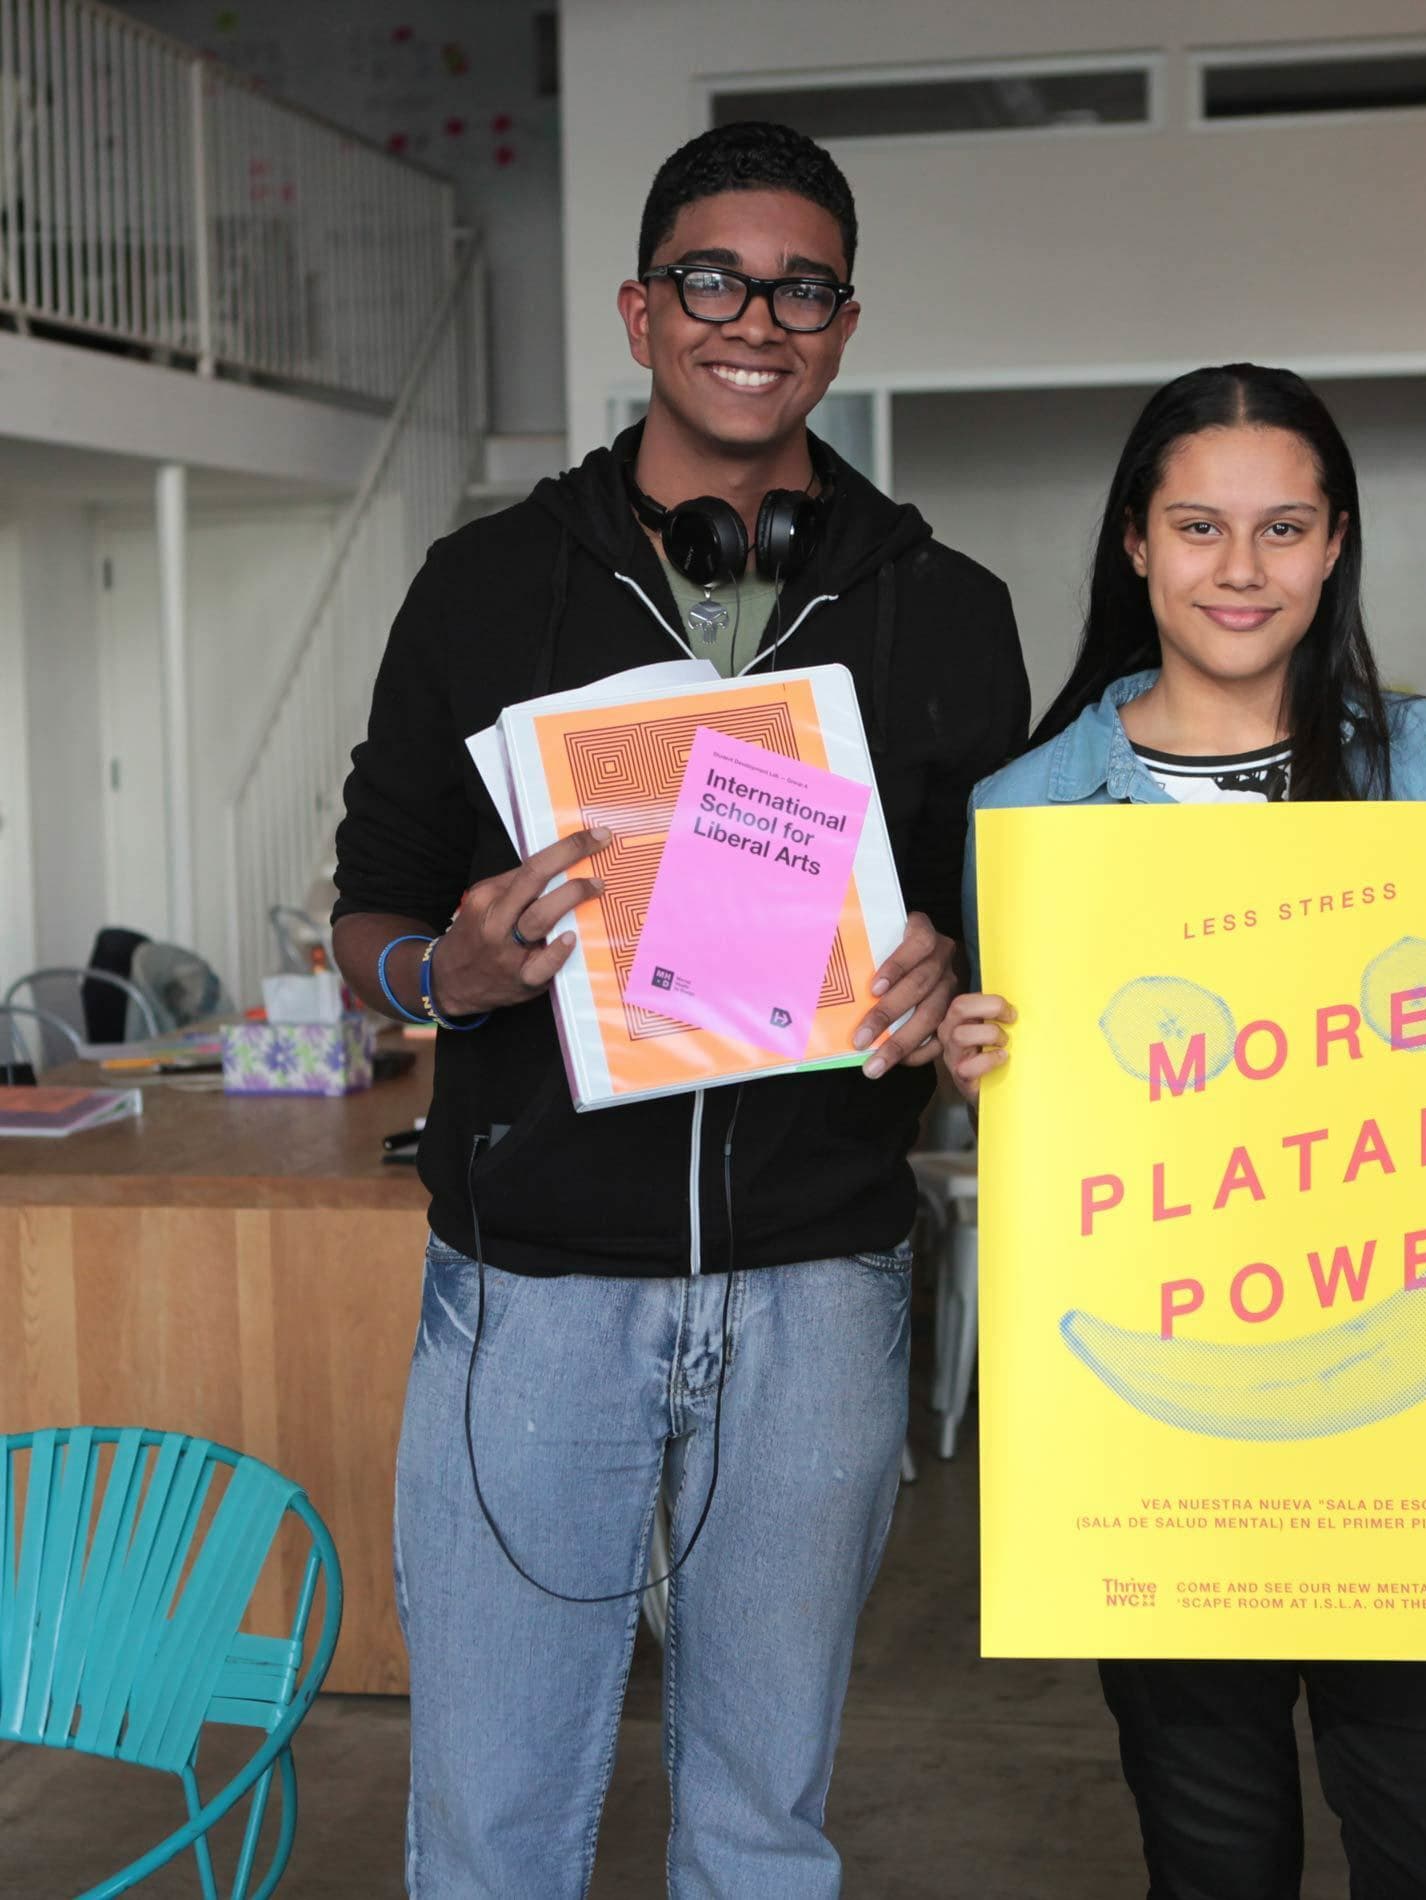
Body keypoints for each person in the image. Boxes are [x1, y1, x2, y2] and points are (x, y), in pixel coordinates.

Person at [331, 122, 1028, 1899]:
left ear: (845, 324)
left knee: (761, 1824)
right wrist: (447, 974)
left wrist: (946, 964)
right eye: (714, 277)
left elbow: (990, 936)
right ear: (643, 309)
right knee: (491, 1826)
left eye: (802, 286)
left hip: (821, 1286)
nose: (755, 316)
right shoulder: (485, 588)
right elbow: (372, 908)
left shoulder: (947, 612)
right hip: (533, 1292)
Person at [945, 364, 1426, 1899]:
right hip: (1164, 1441)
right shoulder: (1028, 812)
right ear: (1136, 543)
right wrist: (969, 1066)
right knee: (1211, 1869)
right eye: (1199, 526)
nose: (1241, 568)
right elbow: (1036, 1117)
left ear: (1337, 543)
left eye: (1283, 527)